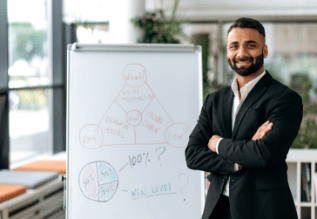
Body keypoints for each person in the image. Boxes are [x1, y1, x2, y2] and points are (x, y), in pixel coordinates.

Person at [185, 17, 303, 219]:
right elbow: (193, 154)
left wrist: (218, 143)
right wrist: (238, 161)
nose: (241, 53)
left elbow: (265, 153)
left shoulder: (285, 99)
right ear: (227, 52)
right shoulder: (214, 100)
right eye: (234, 46)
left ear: (264, 50)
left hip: (263, 209)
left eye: (250, 45)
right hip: (218, 208)